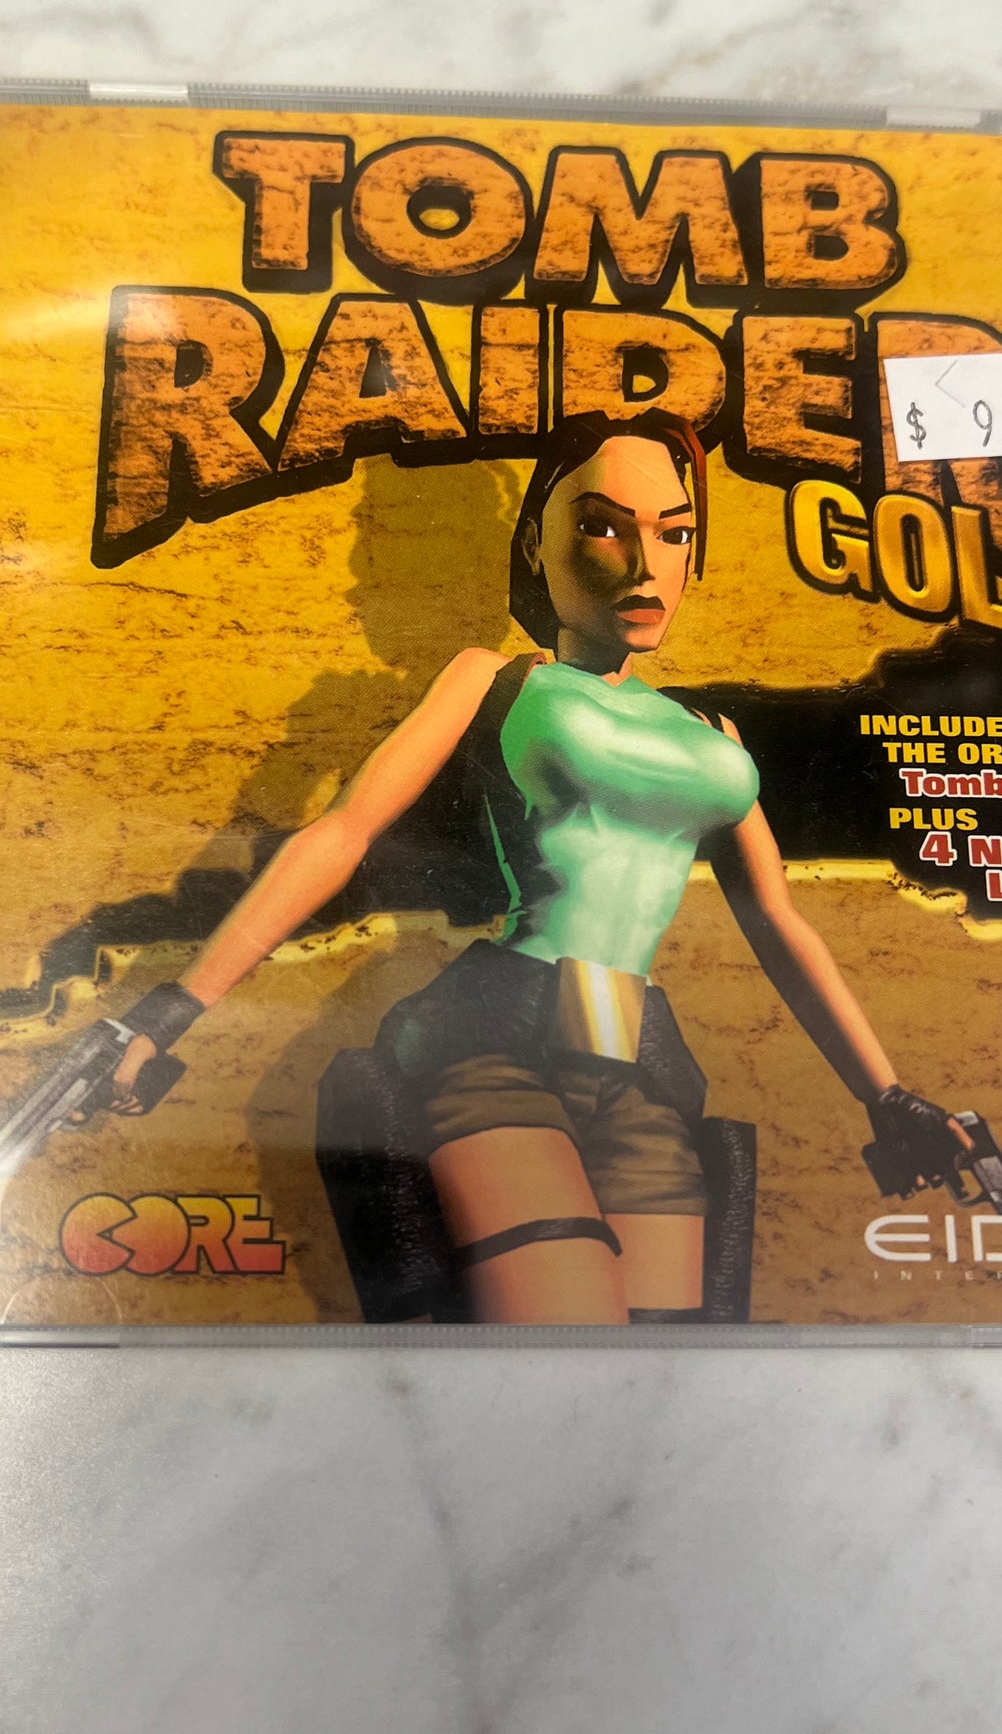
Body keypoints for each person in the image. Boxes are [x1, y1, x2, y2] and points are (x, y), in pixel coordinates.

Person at [103, 408, 954, 1326]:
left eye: (674, 534)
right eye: (603, 527)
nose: (645, 565)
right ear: (538, 545)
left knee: (662, 1363)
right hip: (497, 1042)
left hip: (638, 1065)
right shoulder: (499, 680)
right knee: (561, 1332)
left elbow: (780, 923)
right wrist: (168, 1013)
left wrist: (887, 1095)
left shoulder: (712, 733)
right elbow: (342, 833)